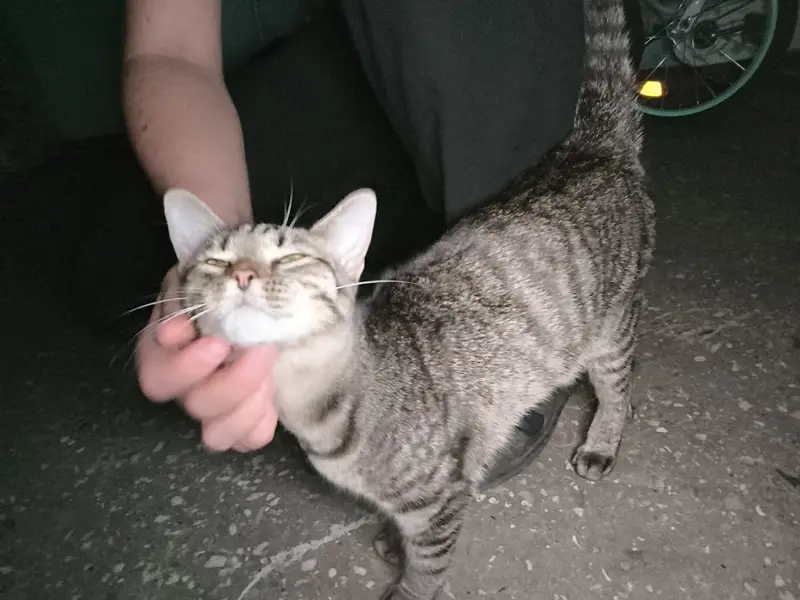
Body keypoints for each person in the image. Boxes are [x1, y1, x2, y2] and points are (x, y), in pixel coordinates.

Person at [129, 0, 585, 488]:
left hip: (469, 49)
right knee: (116, 255)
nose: (244, 274)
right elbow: (171, 51)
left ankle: (518, 323)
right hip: (326, 58)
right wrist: (220, 241)